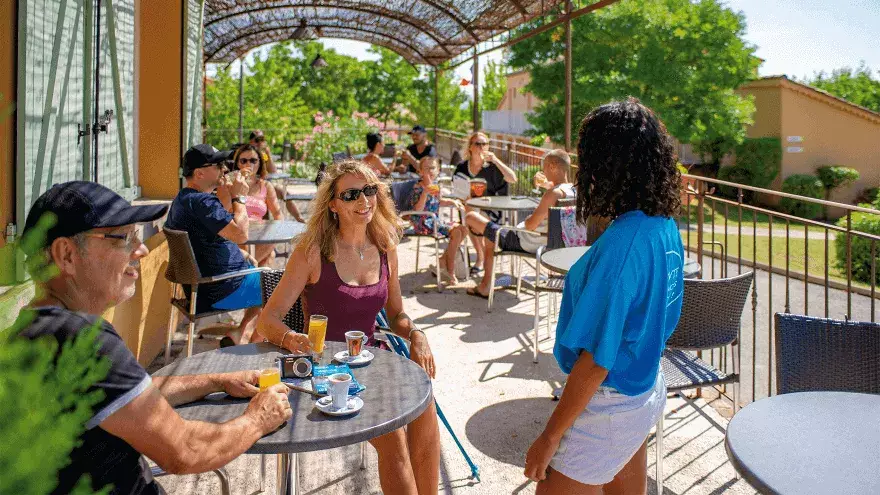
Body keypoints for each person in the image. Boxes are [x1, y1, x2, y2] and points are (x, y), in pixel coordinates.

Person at [13, 181, 292, 495]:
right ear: (66, 254)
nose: (141, 249)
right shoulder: (84, 342)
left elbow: (130, 399)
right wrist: (257, 419)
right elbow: (185, 451)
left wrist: (217, 381)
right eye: (124, 238)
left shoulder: (31, 332)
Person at [523, 98, 684, 494]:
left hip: (610, 404)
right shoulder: (662, 225)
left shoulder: (625, 245)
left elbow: (596, 360)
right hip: (644, 387)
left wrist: (550, 437)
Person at [257, 160, 441, 495]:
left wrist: (417, 334)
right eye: (352, 194)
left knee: (425, 407)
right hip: (329, 368)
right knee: (394, 436)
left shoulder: (386, 246)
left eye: (369, 190)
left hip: (375, 361)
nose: (364, 200)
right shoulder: (313, 251)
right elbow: (267, 320)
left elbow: (397, 314)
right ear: (333, 205)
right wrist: (290, 337)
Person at [164, 144, 263, 345]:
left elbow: (212, 237)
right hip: (220, 291)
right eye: (218, 165)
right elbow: (241, 234)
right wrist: (239, 196)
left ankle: (240, 333)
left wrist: (240, 254)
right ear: (200, 173)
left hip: (205, 289)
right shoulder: (202, 203)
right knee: (286, 285)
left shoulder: (184, 199)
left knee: (266, 275)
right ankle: (254, 347)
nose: (225, 169)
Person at [464, 149, 575, 298]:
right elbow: (556, 192)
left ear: (553, 165)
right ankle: (486, 284)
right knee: (489, 234)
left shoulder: (552, 195)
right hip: (550, 244)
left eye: (544, 165)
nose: (542, 170)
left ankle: (485, 286)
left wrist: (529, 217)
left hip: (524, 241)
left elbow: (530, 225)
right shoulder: (573, 190)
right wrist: (547, 186)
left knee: (471, 217)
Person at [454, 131, 518, 277]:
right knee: (469, 210)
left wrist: (496, 160)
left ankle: (482, 259)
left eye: (485, 144)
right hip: (469, 207)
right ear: (470, 147)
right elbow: (457, 191)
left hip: (493, 209)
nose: (482, 147)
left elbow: (513, 179)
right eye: (478, 144)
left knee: (471, 214)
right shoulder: (462, 168)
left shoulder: (493, 167)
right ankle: (482, 256)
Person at [409, 157, 468, 284]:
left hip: (436, 221)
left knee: (463, 229)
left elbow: (438, 202)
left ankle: (442, 261)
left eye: (433, 168)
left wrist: (452, 201)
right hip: (423, 222)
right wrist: (424, 193)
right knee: (457, 232)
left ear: (438, 170)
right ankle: (450, 270)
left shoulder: (436, 187)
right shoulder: (417, 188)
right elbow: (417, 210)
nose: (430, 170)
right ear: (420, 171)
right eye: (426, 168)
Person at [232, 144, 283, 267]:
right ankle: (249, 271)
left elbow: (277, 214)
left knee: (272, 242)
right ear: (238, 164)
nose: (248, 164)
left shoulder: (265, 186)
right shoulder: (230, 184)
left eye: (253, 160)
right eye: (243, 161)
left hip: (259, 233)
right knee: (270, 256)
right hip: (236, 233)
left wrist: (277, 229)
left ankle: (247, 270)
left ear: (260, 163)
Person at [250, 129, 306, 223]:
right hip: (253, 185)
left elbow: (273, 171)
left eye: (262, 139)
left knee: (284, 193)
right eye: (257, 140)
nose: (260, 142)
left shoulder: (263, 154)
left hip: (266, 183)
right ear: (251, 141)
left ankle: (299, 218)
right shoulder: (248, 154)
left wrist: (268, 154)